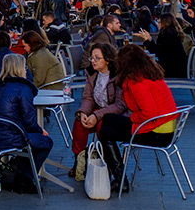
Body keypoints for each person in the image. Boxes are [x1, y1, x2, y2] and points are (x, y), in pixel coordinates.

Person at [97, 44, 179, 193]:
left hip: (155, 132)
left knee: (105, 132)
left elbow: (149, 113)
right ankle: (115, 176)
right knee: (107, 119)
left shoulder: (138, 83)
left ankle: (119, 179)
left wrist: (132, 117)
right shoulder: (149, 74)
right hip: (164, 128)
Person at [0, 54, 53, 193]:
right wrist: (40, 130)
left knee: (32, 139)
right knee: (46, 142)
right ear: (19, 68)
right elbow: (29, 120)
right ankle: (25, 179)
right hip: (10, 136)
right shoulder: (23, 88)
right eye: (24, 67)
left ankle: (18, 176)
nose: (26, 70)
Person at [70, 43, 125, 171]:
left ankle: (105, 162)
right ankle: (79, 161)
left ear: (107, 60)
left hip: (114, 114)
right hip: (98, 109)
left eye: (97, 58)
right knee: (79, 123)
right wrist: (83, 112)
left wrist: (96, 116)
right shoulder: (92, 73)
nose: (93, 61)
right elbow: (88, 97)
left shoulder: (117, 75)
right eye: (91, 58)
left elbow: (120, 105)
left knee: (102, 127)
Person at [134, 13, 188, 79]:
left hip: (172, 69)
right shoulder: (172, 33)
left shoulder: (167, 34)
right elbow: (160, 49)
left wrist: (147, 39)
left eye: (159, 22)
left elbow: (156, 50)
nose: (157, 24)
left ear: (165, 23)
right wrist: (149, 38)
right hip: (178, 67)